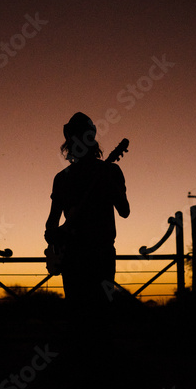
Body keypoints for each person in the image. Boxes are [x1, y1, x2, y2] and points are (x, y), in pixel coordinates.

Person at [45, 112, 130, 326]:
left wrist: (108, 183)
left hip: (101, 254)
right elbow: (51, 222)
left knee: (101, 316)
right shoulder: (62, 178)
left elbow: (125, 210)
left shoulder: (110, 171)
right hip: (73, 257)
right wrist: (53, 240)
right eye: (74, 138)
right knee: (77, 316)